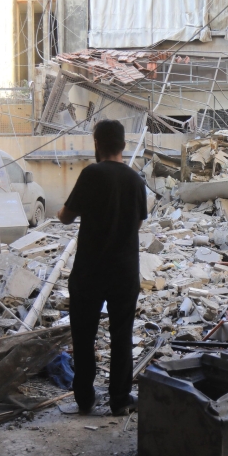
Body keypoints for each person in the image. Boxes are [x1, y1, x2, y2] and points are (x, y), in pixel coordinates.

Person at [58, 119, 148, 416]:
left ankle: (85, 399)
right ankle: (120, 400)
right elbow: (135, 224)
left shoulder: (90, 174)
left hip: (89, 271)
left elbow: (66, 217)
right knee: (122, 335)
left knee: (84, 335)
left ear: (97, 144)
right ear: (123, 145)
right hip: (123, 271)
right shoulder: (136, 181)